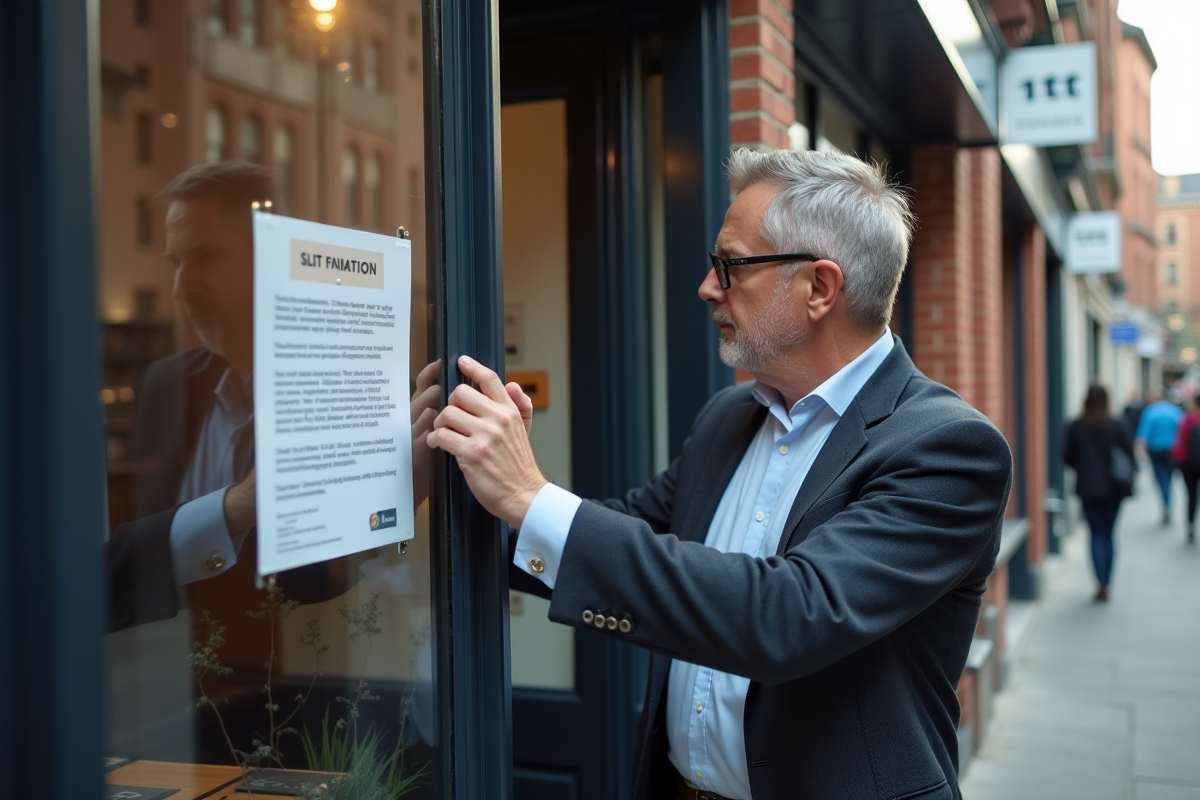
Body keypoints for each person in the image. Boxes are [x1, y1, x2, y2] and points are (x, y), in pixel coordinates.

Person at [429, 148, 1013, 800]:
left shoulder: (948, 449)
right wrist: (472, 483)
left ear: (819, 288)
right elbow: (629, 534)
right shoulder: (728, 417)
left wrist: (527, 493)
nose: (708, 288)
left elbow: (789, 614)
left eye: (730, 265)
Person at [106, 161, 441, 634]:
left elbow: (333, 576)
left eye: (205, 256)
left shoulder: (375, 397)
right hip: (158, 665)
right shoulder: (163, 387)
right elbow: (134, 555)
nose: (182, 289)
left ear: (271, 258)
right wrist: (237, 505)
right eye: (176, 263)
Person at [1064, 385, 1135, 602]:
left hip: (1088, 488)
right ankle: (1107, 582)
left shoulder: (1077, 425)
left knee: (1096, 534)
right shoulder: (1117, 424)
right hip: (1114, 488)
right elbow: (1129, 455)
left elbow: (1066, 457)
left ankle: (1099, 582)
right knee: (1108, 534)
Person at [1134, 391, 1183, 526]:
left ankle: (1166, 505)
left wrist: (1139, 452)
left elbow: (1143, 434)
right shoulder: (1174, 411)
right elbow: (1182, 430)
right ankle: (1168, 504)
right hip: (1172, 450)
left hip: (1156, 450)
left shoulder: (1150, 412)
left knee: (1162, 479)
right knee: (1169, 478)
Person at [1170, 392, 1200, 545]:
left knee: (1191, 496)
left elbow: (1180, 444)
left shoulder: (1187, 420)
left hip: (1189, 465)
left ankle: (1190, 526)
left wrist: (1177, 463)